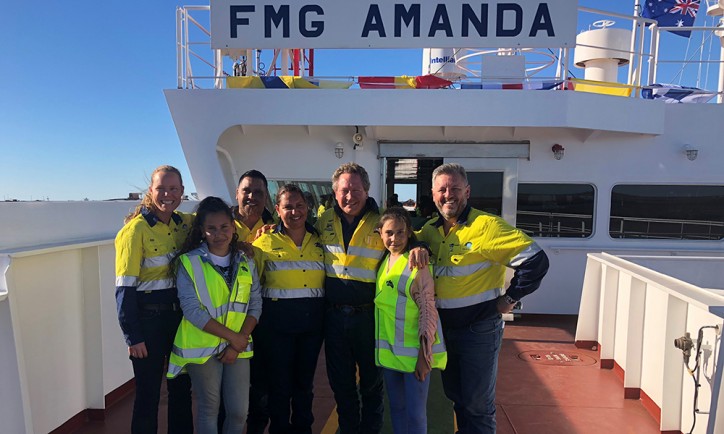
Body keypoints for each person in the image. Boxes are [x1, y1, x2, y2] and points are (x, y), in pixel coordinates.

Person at [417, 163, 549, 434]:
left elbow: (536, 260)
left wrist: (510, 298)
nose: (448, 194)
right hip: (444, 331)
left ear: (467, 191)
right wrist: (417, 245)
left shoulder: (486, 227)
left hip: (478, 331)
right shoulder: (429, 231)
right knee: (457, 398)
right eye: (442, 189)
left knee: (477, 406)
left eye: (455, 188)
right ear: (433, 195)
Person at [315, 163, 428, 433]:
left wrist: (419, 246)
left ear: (366, 190)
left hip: (368, 318)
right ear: (334, 191)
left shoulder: (381, 222)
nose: (350, 196)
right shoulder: (322, 222)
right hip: (333, 318)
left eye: (356, 189)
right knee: (341, 385)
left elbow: (406, 237)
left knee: (371, 385)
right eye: (344, 190)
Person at [167, 196, 262, 434]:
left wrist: (237, 341)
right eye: (211, 229)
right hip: (202, 348)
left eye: (224, 227)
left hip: (238, 345)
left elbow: (255, 303)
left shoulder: (246, 260)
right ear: (202, 230)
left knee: (239, 412)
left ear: (233, 227)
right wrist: (235, 338)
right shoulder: (188, 263)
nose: (219, 234)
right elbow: (192, 310)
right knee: (210, 408)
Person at [114, 165, 193, 434]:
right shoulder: (134, 231)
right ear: (151, 191)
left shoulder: (184, 224)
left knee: (181, 390)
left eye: (173, 189)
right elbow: (124, 288)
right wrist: (132, 336)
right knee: (148, 395)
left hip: (179, 321)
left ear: (182, 192)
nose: (167, 194)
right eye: (161, 188)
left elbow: (220, 225)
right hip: (149, 323)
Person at [252, 184, 326, 434]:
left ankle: (303, 429)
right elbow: (254, 285)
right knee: (280, 385)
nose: (294, 212)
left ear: (308, 208)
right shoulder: (263, 242)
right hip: (276, 327)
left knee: (304, 384)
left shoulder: (320, 240)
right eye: (288, 207)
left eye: (299, 206)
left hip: (311, 326)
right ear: (277, 210)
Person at [374, 207, 447, 434]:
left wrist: (425, 356)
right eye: (389, 233)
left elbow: (428, 310)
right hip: (390, 355)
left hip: (414, 355)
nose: (394, 239)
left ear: (409, 234)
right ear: (380, 233)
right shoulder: (384, 261)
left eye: (400, 233)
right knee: (396, 408)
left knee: (415, 415)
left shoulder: (417, 264)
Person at [233, 169, 275, 434]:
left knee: (261, 384)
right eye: (246, 191)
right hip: (227, 316)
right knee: (229, 386)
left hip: (263, 316)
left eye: (258, 192)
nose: (251, 197)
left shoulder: (275, 227)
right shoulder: (219, 223)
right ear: (237, 193)